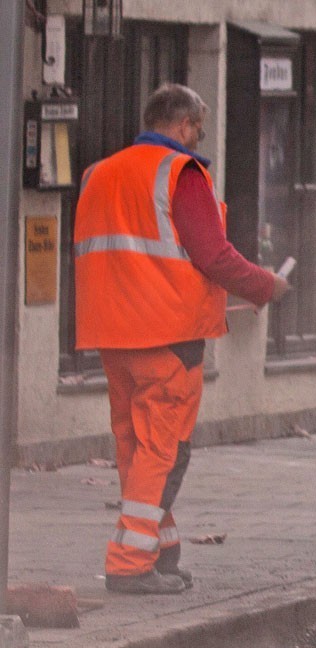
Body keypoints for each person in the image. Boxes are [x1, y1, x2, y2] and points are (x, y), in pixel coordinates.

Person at [73, 84, 288, 595]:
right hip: (168, 335)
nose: (199, 139)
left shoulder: (98, 174)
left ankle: (159, 550)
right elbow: (212, 256)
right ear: (185, 125)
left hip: (112, 333)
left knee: (135, 446)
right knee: (163, 451)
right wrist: (266, 285)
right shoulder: (181, 174)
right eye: (198, 129)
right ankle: (128, 563)